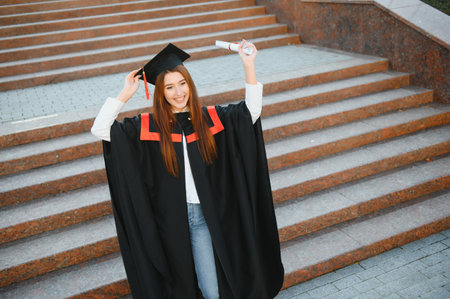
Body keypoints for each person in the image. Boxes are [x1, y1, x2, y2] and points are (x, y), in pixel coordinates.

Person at [91, 41, 284, 299]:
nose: (178, 92)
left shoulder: (211, 119)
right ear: (160, 92)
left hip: (205, 218)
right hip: (167, 223)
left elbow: (251, 112)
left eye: (182, 84)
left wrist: (248, 65)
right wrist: (124, 95)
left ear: (190, 85)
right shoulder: (147, 127)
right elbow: (101, 129)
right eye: (169, 87)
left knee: (212, 290)